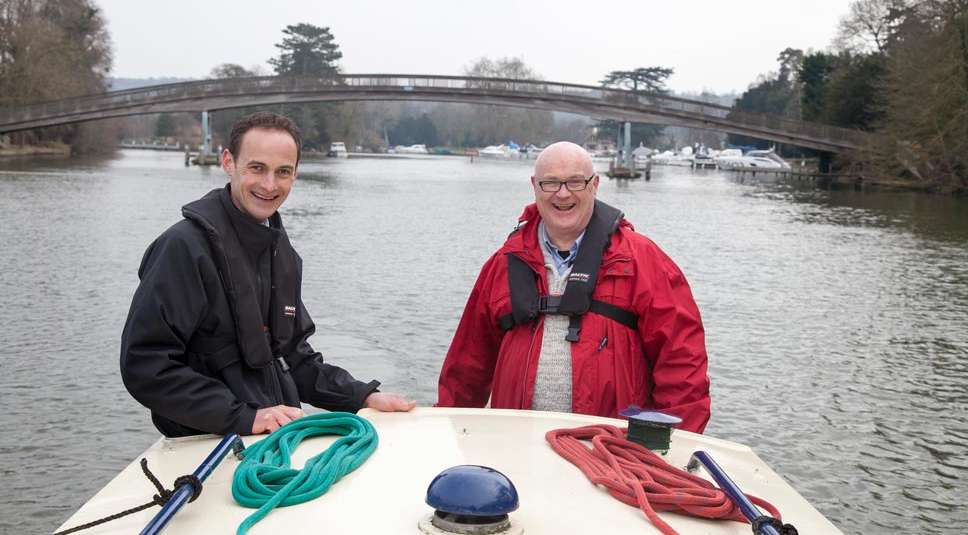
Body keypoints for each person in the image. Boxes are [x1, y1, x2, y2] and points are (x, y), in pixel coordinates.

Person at [121, 112, 415, 437]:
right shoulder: (183, 248)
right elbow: (145, 365)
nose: (269, 185)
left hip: (276, 439)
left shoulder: (282, 252)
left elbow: (295, 359)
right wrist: (245, 417)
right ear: (228, 162)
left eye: (283, 172)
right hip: (207, 444)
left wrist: (363, 396)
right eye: (257, 168)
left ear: (295, 174)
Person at [437, 141, 710, 432]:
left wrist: (672, 446)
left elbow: (682, 367)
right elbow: (466, 368)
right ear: (534, 186)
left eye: (575, 182)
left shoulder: (643, 262)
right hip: (514, 447)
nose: (563, 193)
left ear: (595, 185)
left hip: (610, 457)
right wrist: (449, 433)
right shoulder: (502, 265)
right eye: (550, 182)